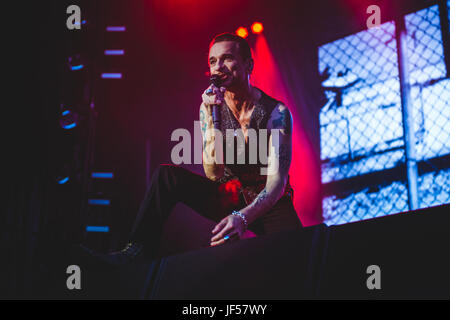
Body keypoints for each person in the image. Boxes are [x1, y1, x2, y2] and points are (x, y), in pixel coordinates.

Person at [84, 32, 303, 266]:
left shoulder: (275, 113)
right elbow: (213, 173)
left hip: (267, 200)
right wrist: (211, 117)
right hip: (229, 193)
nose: (219, 67)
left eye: (227, 58)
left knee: (299, 253)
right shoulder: (209, 107)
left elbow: (276, 183)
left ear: (248, 64)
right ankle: (137, 250)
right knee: (166, 177)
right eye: (213, 61)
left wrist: (242, 218)